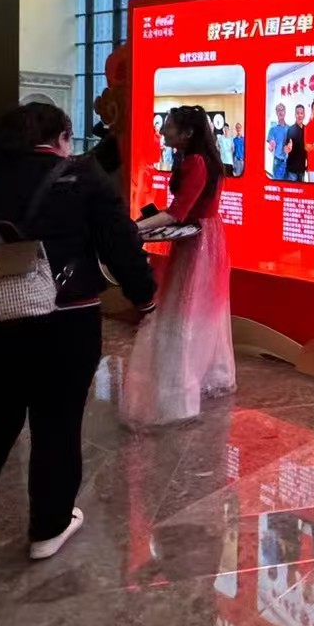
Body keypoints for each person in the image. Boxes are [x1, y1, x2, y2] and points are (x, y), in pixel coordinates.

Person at [0, 103, 156, 589]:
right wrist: (144, 296)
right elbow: (119, 241)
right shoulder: (80, 176)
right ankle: (48, 527)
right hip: (64, 319)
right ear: (61, 137)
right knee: (57, 423)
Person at [120, 105, 235, 426]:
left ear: (187, 133)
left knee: (184, 310)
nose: (162, 131)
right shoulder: (202, 159)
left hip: (197, 242)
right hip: (206, 238)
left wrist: (133, 227)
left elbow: (177, 213)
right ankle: (210, 374)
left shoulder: (195, 162)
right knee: (202, 310)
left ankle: (179, 394)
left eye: (168, 126)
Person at [266, 102, 290, 180]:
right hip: (277, 162)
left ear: (285, 112)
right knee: (277, 184)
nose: (280, 112)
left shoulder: (289, 128)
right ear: (276, 113)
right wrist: (271, 146)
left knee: (287, 185)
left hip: (288, 162)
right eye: (278, 110)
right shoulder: (273, 129)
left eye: (282, 110)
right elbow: (270, 144)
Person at [284, 104, 308, 183]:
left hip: (302, 169)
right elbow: (286, 147)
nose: (299, 115)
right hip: (292, 169)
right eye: (297, 113)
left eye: (301, 113)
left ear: (304, 115)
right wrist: (288, 148)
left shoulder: (306, 129)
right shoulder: (290, 129)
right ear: (295, 115)